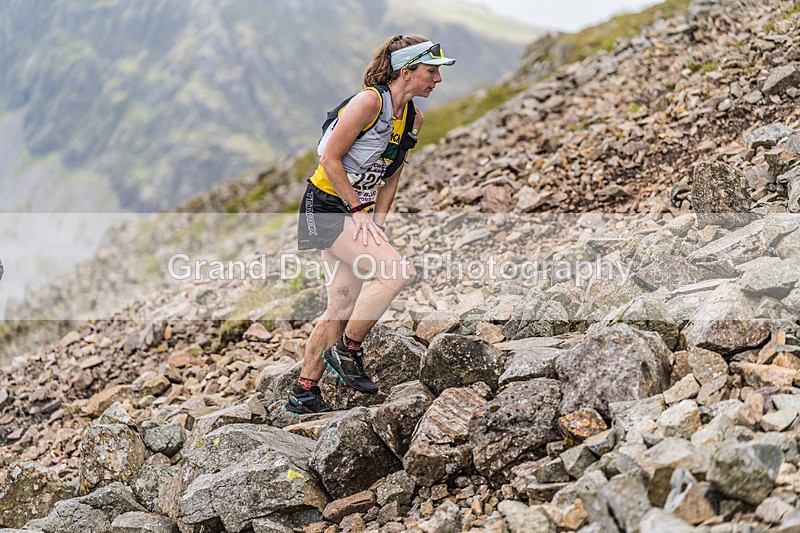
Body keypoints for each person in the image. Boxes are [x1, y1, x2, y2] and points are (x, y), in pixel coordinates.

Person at [285, 35, 456, 414]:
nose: (437, 80)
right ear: (406, 71)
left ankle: (303, 392)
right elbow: (330, 157)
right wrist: (359, 212)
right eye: (432, 71)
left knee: (342, 305)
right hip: (328, 205)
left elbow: (391, 177)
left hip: (355, 210)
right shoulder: (369, 102)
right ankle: (348, 351)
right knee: (393, 272)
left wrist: (376, 223)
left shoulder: (414, 117)